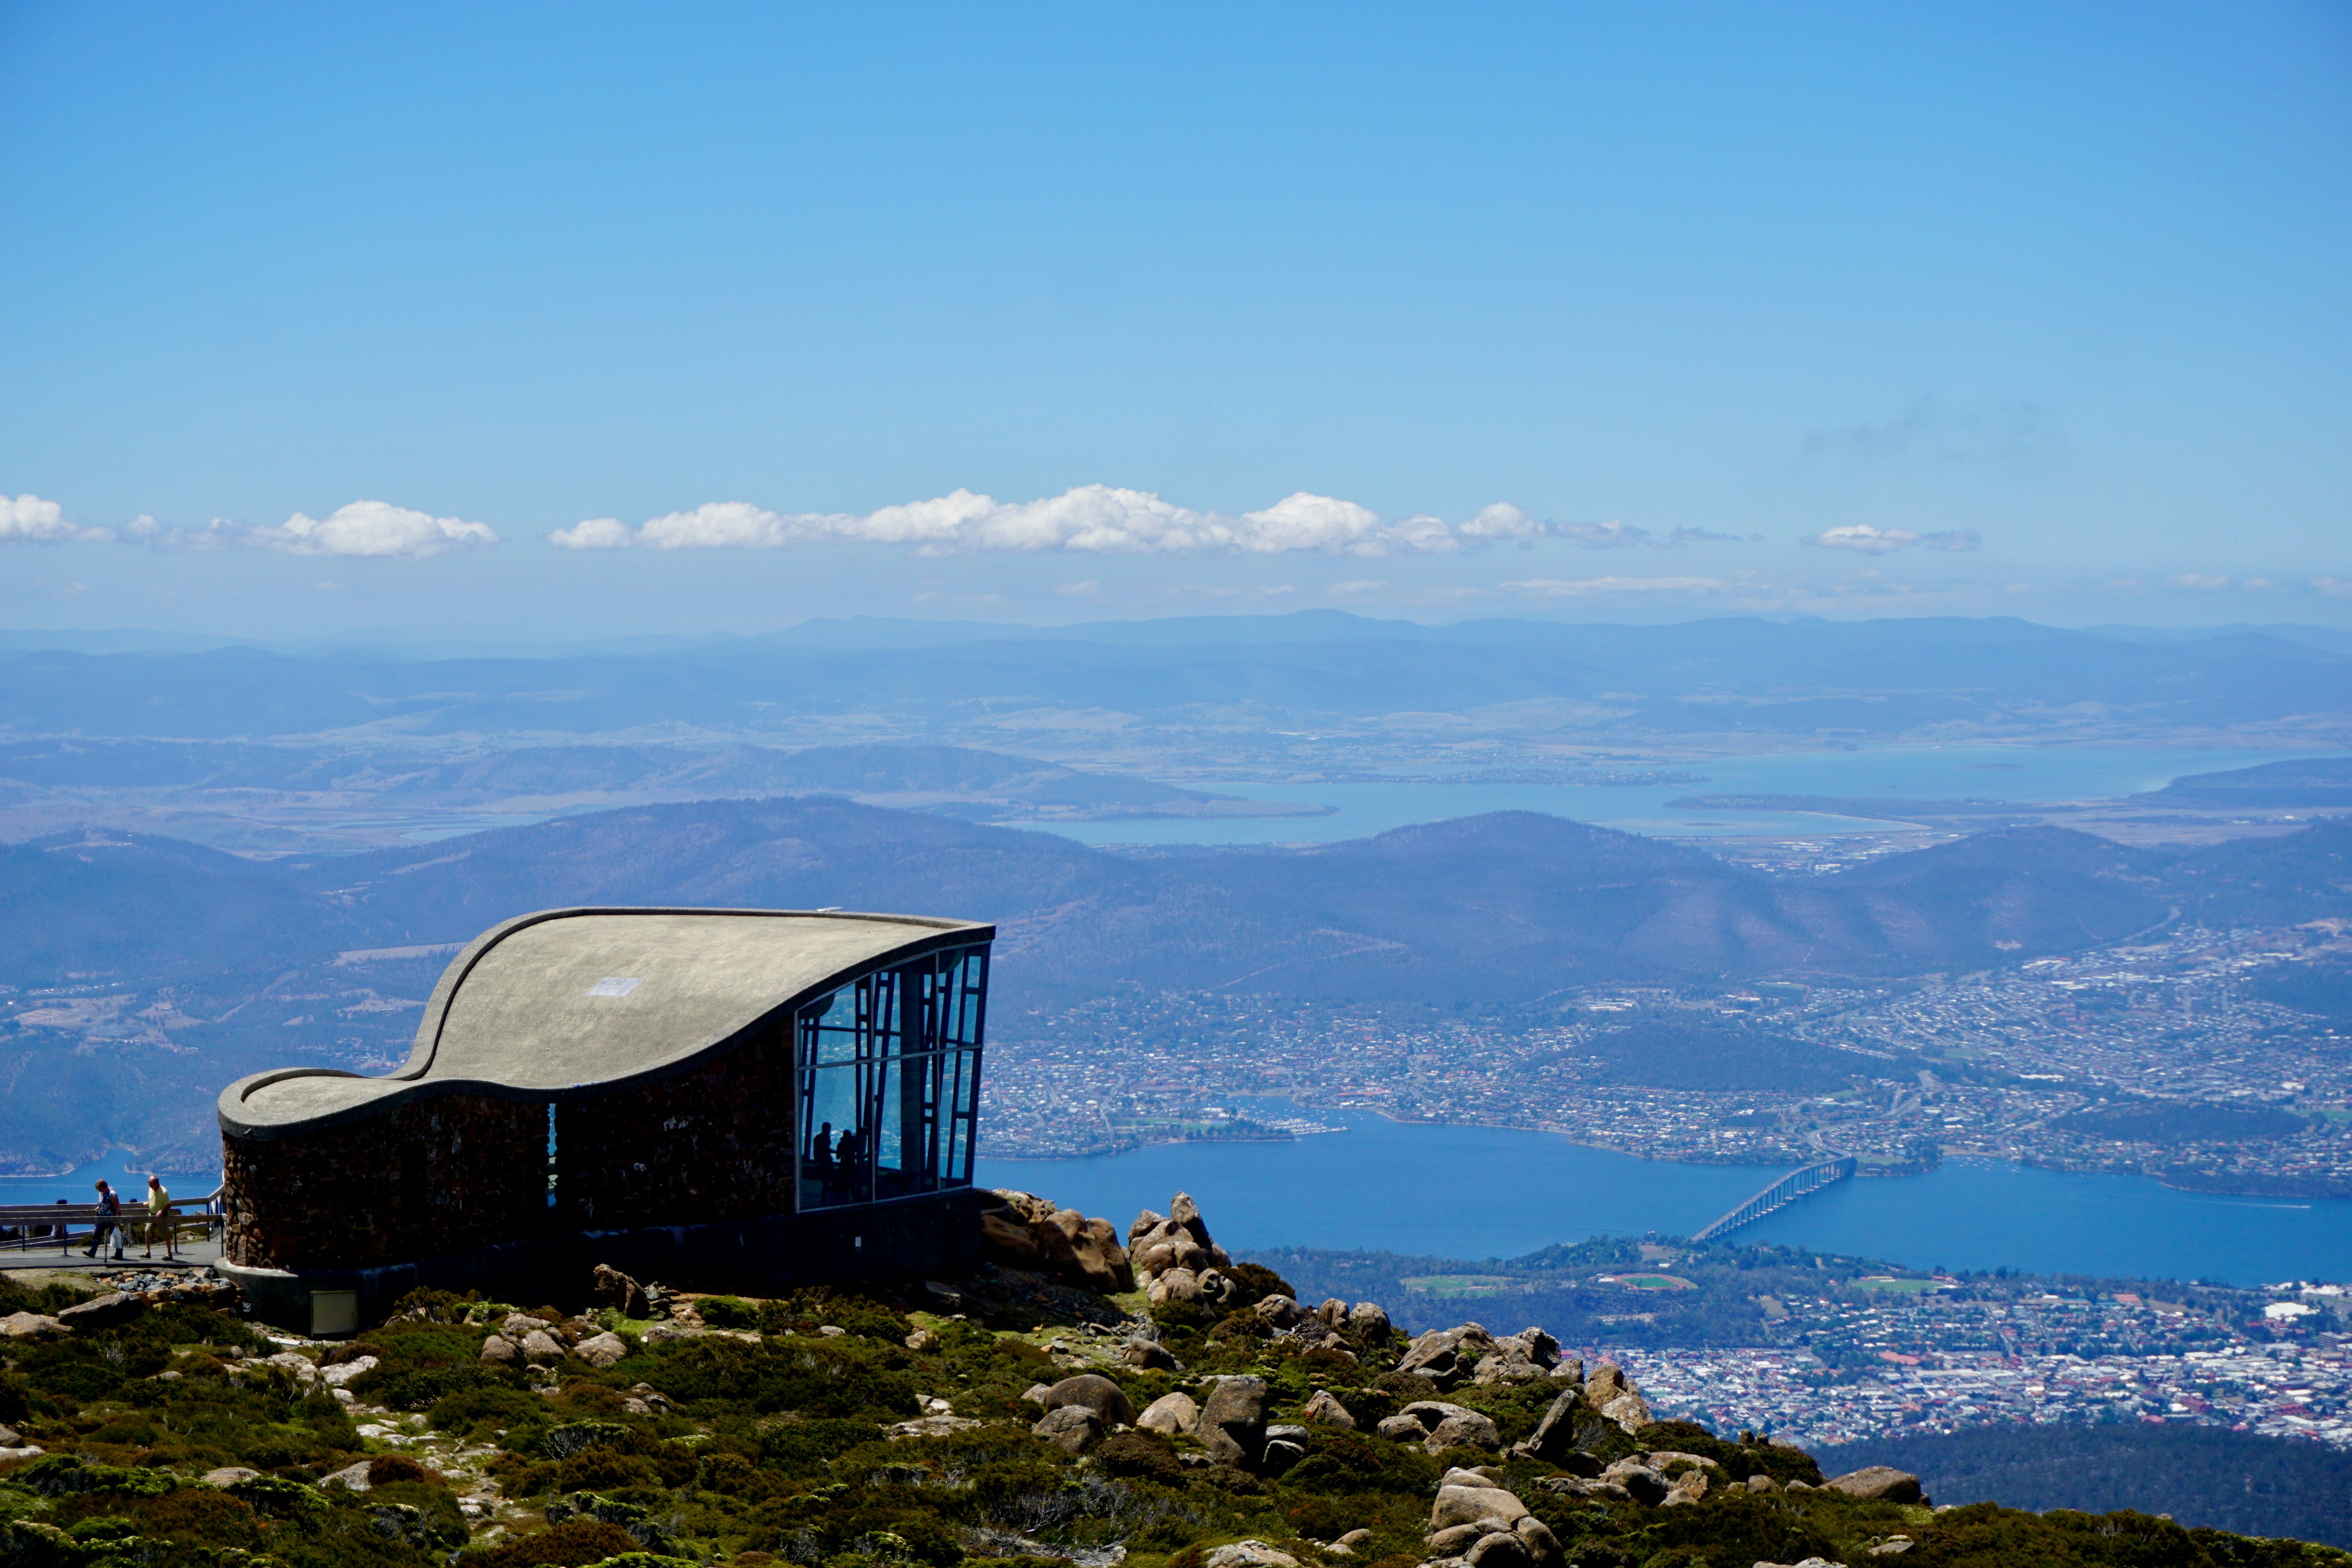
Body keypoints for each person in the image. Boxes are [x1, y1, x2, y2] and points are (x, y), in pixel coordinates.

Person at [83, 1180, 123, 1261]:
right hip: (102, 1218)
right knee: (97, 1234)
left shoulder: (113, 1194)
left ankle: (119, 1254)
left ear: (105, 1187)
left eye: (101, 1189)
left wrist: (116, 1221)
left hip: (112, 1218)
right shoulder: (102, 1193)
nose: (100, 1191)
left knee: (115, 1236)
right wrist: (99, 1208)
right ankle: (92, 1252)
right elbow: (102, 1203)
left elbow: (117, 1208)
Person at [143, 1175, 174, 1260]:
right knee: (147, 1231)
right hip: (152, 1216)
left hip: (161, 1217)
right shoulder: (151, 1190)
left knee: (165, 1234)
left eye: (151, 1183)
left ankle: (169, 1253)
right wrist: (148, 1203)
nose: (149, 1184)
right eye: (149, 1182)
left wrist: (162, 1211)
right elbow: (152, 1199)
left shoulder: (164, 1192)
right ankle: (148, 1252)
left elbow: (169, 1205)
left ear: (157, 1182)